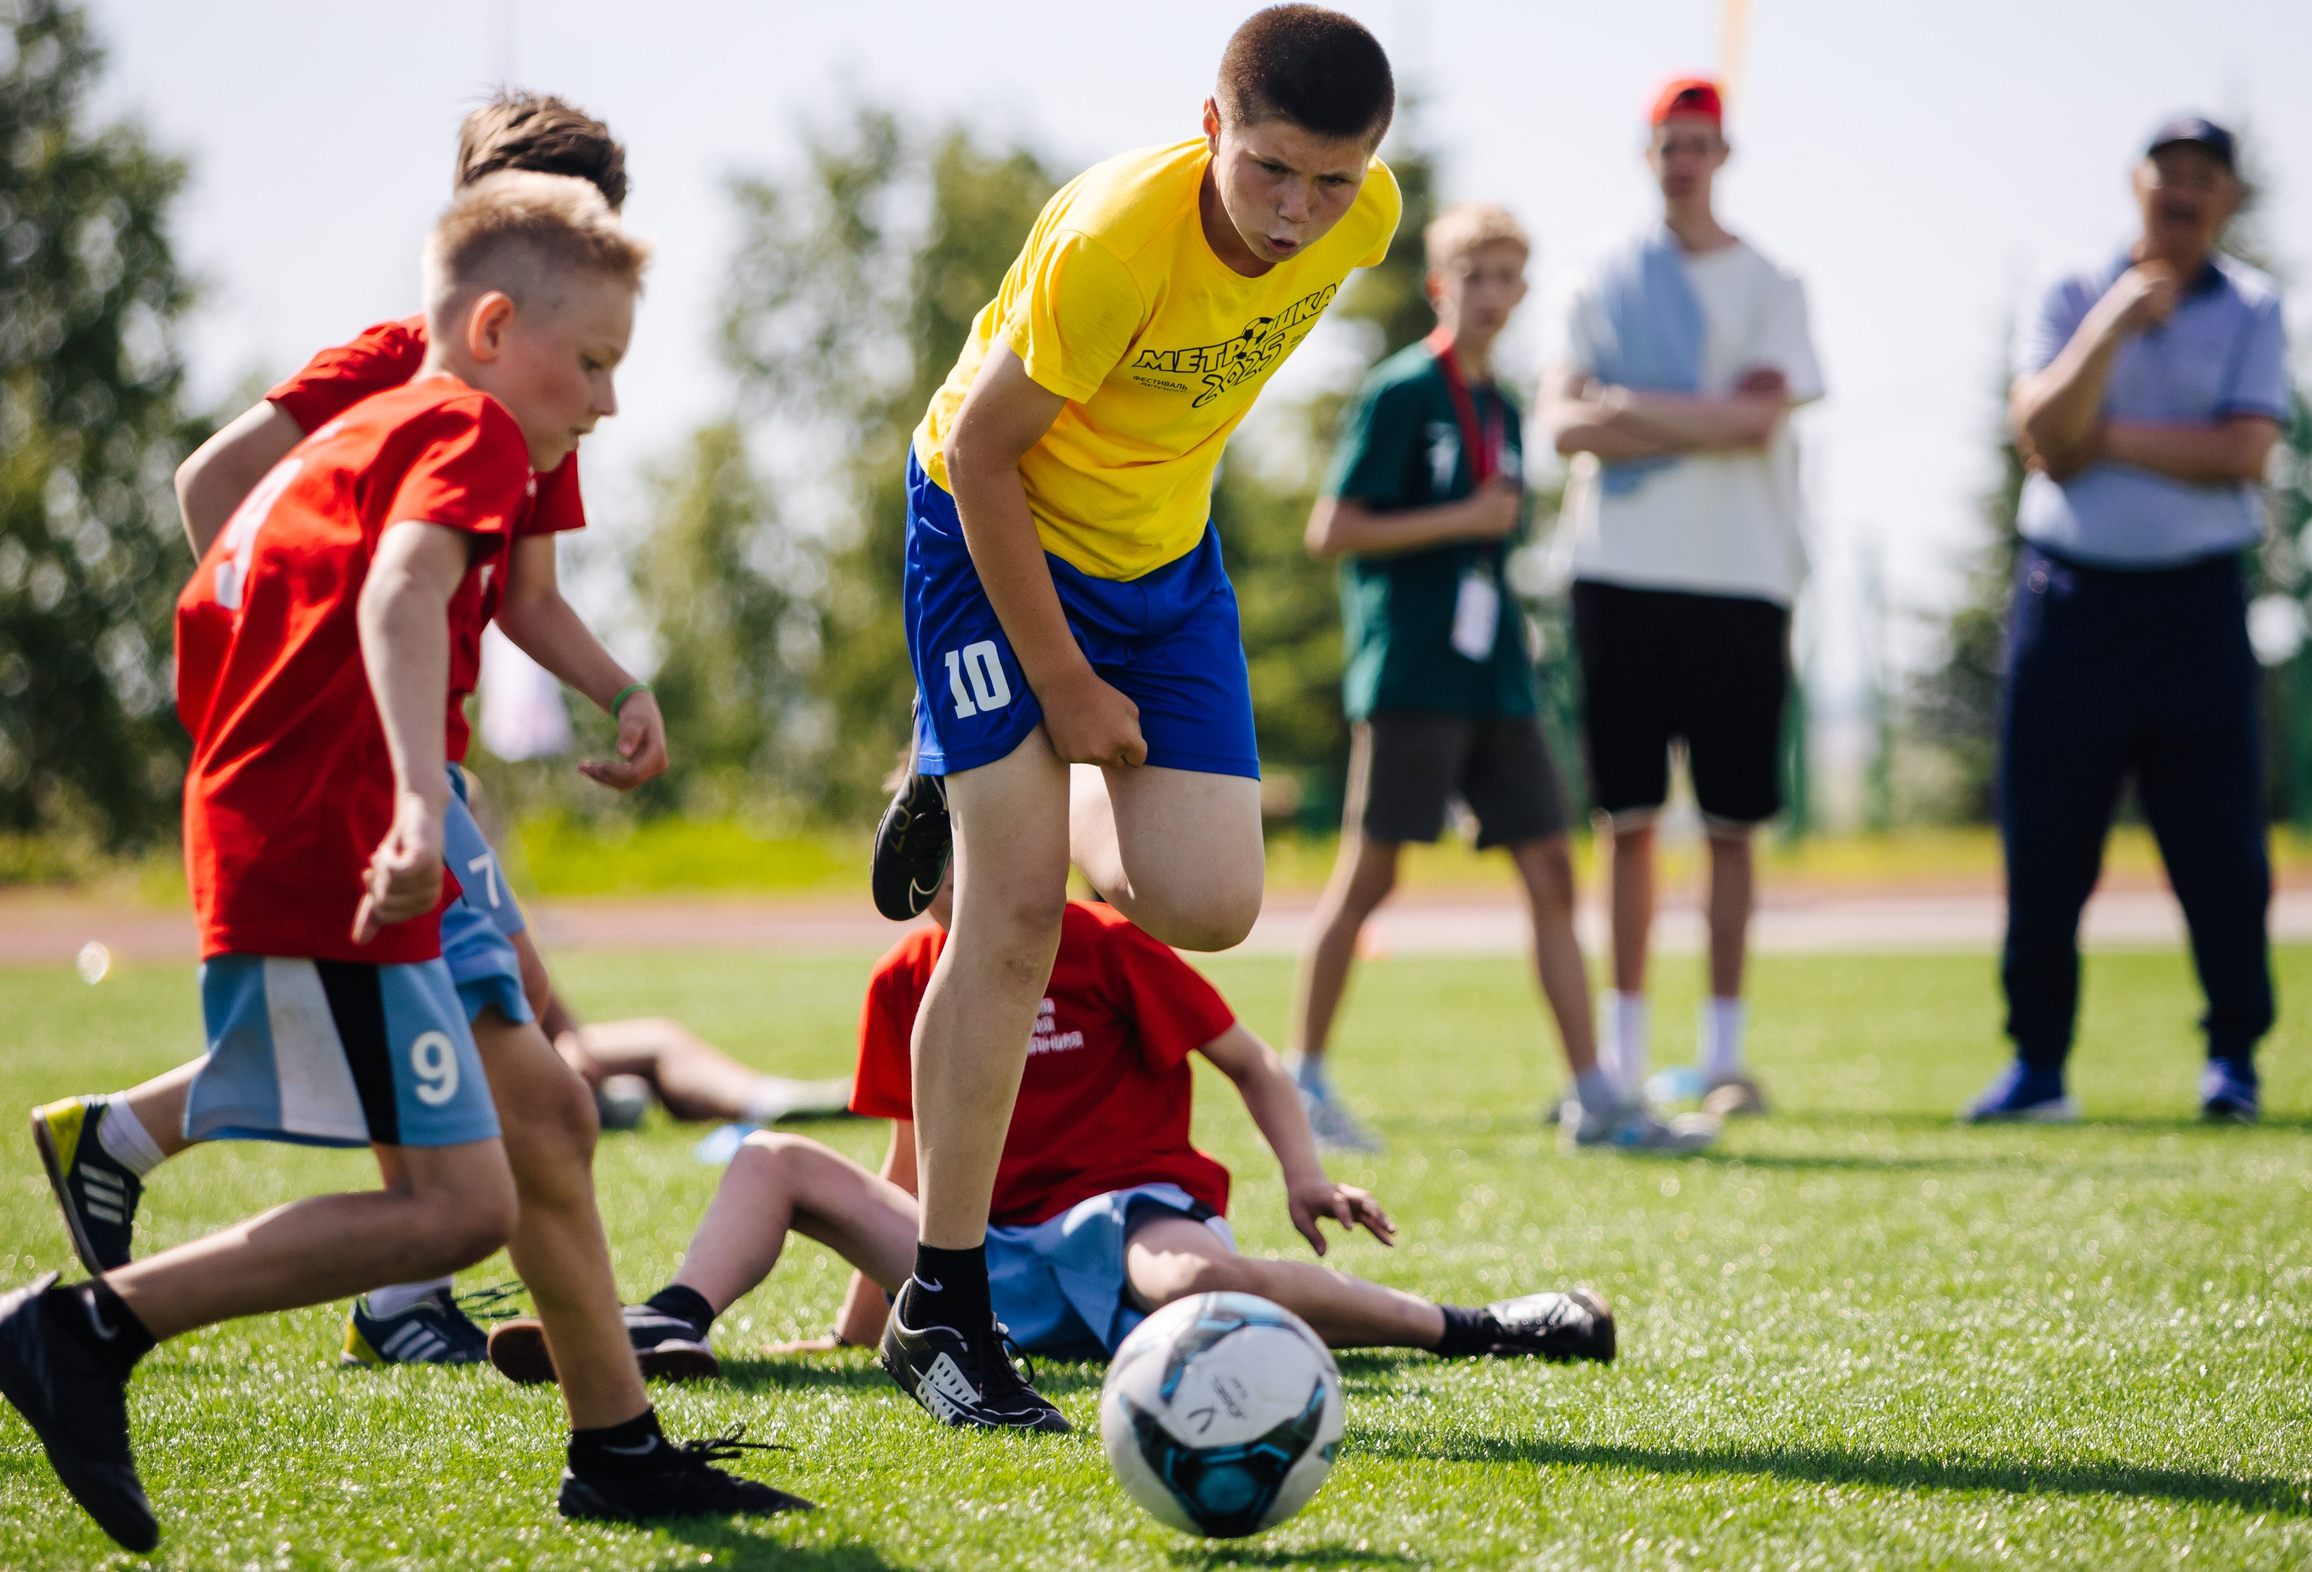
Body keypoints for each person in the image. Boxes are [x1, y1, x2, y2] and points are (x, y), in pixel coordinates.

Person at [0, 175, 807, 1553]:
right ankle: (86, 1327)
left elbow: (218, 603)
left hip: (293, 825)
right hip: (339, 841)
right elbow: (407, 590)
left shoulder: (358, 436)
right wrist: (418, 804)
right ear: (491, 325)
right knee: (456, 1209)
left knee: (531, 1128)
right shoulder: (467, 425)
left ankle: (618, 1447)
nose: (602, 404)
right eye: (592, 362)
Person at [862, 4, 1404, 1431]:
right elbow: (980, 453)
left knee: (1211, 899)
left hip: (1163, 562)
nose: (1301, 213)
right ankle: (945, 1306)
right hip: (991, 542)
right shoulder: (1113, 237)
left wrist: (1111, 659)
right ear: (1212, 126)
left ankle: (967, 764)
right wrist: (1060, 682)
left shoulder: (1369, 220)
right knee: (1016, 916)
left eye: (1333, 180)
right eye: (1274, 169)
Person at [477, 888, 1614, 1388]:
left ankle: (1476, 1328)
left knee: (1190, 1281)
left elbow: (1253, 1062)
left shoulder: (1102, 942)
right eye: (914, 862)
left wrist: (1303, 1173)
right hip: (977, 1261)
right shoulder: (905, 981)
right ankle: (665, 1325)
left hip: (1127, 1223)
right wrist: (857, 1329)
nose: (932, 884)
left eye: (951, 845)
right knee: (771, 1156)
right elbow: (910, 1168)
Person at [1295, 204, 1707, 1157]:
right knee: (1373, 873)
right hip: (1412, 670)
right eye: (1472, 274)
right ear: (1441, 285)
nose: (1491, 292)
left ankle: (1593, 1095)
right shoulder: (1403, 390)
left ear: (1523, 290)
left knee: (1554, 868)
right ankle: (1305, 1080)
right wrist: (1461, 519)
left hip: (1497, 679)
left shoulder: (1503, 407)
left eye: (1507, 275)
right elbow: (1333, 529)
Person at [1965, 116, 2290, 1125]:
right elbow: (2039, 436)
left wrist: (2097, 437)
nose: (2183, 193)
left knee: (2219, 851)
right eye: (2168, 175)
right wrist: (2108, 326)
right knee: (2047, 848)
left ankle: (2231, 1060)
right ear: (2135, 184)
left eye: (2204, 179)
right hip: (2072, 606)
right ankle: (2039, 1068)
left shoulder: (2252, 307)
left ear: (2226, 198)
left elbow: (2241, 452)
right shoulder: (2071, 289)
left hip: (2194, 606)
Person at [1536, 75, 1825, 1121]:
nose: (1683, 160)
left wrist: (1627, 411)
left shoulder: (1772, 281)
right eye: (1669, 143)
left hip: (1742, 575)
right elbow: (1563, 425)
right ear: (1647, 153)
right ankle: (1617, 1058)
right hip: (1618, 571)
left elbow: (1755, 423)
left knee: (1735, 821)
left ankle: (1720, 1055)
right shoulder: (1599, 278)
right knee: (1628, 818)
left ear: (1723, 154)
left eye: (1700, 143)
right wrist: (1695, 414)